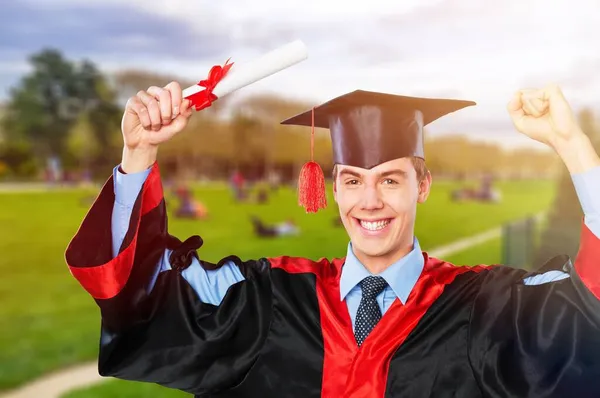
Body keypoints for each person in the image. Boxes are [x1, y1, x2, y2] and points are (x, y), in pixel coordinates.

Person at [65, 82, 600, 397]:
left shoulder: (486, 308)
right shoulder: (266, 299)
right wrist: (138, 156)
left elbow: (589, 301)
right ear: (332, 187)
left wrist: (573, 146)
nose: (370, 201)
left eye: (391, 179)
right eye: (352, 180)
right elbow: (134, 288)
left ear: (423, 186)